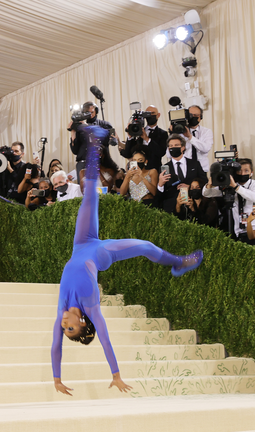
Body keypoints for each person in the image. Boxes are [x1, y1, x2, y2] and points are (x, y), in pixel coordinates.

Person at [51, 125, 203, 396]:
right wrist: (116, 375)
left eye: (65, 328)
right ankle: (178, 262)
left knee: (89, 190)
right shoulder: (91, 306)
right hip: (103, 253)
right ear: (84, 324)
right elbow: (106, 340)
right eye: (71, 327)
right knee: (145, 245)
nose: (64, 324)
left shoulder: (63, 307)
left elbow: (56, 346)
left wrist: (56, 379)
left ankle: (96, 140)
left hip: (82, 242)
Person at [202, 158, 255, 246]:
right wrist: (209, 185)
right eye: (240, 171)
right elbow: (207, 194)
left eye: (246, 170)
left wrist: (236, 187)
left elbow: (254, 197)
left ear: (252, 172)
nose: (242, 173)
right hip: (240, 231)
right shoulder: (230, 186)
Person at [156, 134, 206, 213]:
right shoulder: (164, 168)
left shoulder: (194, 164)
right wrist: (160, 184)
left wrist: (191, 187)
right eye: (171, 146)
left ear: (183, 147)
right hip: (172, 208)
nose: (173, 148)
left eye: (176, 145)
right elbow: (159, 195)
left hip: (193, 205)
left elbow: (204, 182)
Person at [119, 105, 169, 173]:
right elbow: (128, 154)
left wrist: (147, 139)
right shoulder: (137, 131)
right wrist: (130, 137)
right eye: (148, 113)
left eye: (153, 113)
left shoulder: (163, 134)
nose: (151, 116)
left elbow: (161, 152)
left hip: (154, 171)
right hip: (137, 171)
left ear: (158, 115)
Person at [181, 105, 213, 172]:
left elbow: (206, 148)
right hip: (185, 169)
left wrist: (190, 137)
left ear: (201, 117)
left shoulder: (206, 132)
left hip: (202, 168)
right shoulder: (180, 132)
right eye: (190, 115)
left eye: (196, 115)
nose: (192, 117)